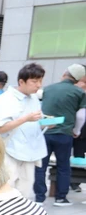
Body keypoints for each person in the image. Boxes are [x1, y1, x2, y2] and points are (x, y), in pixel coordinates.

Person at [0, 63, 45, 199]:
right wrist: (25, 119)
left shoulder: (34, 99)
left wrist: (46, 124)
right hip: (9, 152)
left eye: (40, 81)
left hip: (29, 152)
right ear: (21, 81)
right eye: (34, 81)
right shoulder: (6, 99)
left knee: (24, 192)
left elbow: (36, 122)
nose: (38, 85)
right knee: (5, 192)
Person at [35, 63, 86, 206]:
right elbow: (82, 116)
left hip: (45, 132)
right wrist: (76, 131)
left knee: (41, 165)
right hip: (64, 134)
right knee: (63, 166)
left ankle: (39, 198)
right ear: (78, 79)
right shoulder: (79, 93)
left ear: (65, 73)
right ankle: (60, 198)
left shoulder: (48, 89)